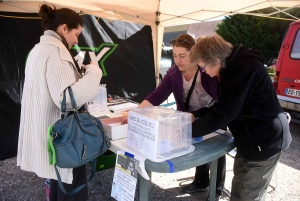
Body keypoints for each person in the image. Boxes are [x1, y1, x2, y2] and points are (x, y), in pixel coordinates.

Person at [189, 34, 292, 201]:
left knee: (250, 195)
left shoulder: (242, 68)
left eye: (204, 67)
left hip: (265, 141)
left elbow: (224, 114)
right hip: (248, 140)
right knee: (238, 188)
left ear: (215, 58)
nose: (204, 72)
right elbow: (226, 105)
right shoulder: (231, 67)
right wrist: (197, 114)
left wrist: (186, 131)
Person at [17, 4, 102, 201]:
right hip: (65, 139)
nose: (76, 40)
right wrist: (94, 72)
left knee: (58, 185)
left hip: (50, 135)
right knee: (71, 187)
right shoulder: (57, 52)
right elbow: (67, 99)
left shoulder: (39, 49)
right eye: (76, 34)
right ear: (64, 28)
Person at [130, 33, 226, 200]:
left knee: (216, 151)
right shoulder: (174, 73)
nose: (178, 61)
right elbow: (157, 95)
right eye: (174, 56)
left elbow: (222, 99)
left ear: (194, 54)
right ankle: (200, 181)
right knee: (197, 148)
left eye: (182, 56)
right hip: (188, 118)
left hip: (213, 115)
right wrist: (135, 114)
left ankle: (217, 187)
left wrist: (199, 115)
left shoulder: (206, 69)